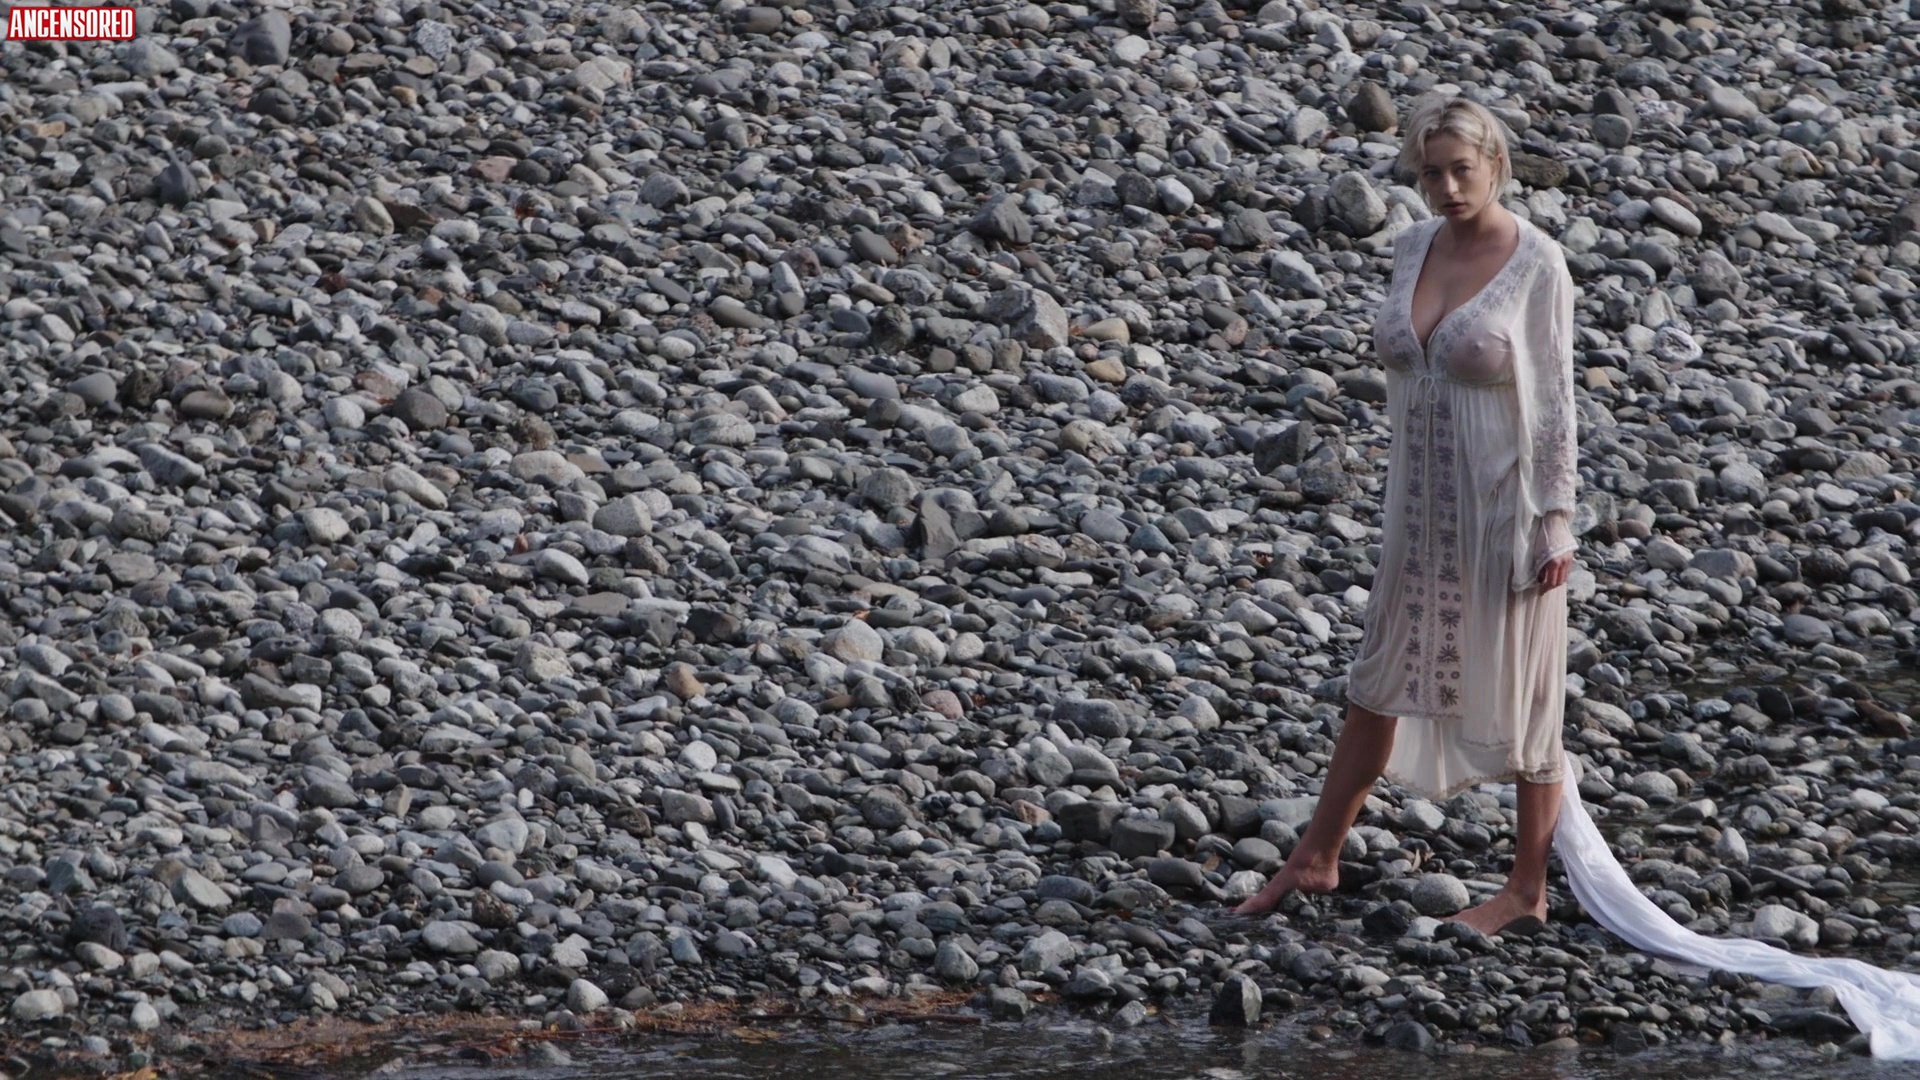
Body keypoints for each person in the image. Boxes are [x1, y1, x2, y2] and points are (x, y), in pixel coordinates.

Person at [1236, 95, 1579, 935]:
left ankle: (1527, 890)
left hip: (1503, 510)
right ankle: (1316, 856)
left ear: (1496, 165)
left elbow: (1555, 404)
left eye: (1463, 170)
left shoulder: (1538, 262)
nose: (1448, 188)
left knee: (1528, 693)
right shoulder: (1411, 247)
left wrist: (1556, 519)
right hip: (1417, 510)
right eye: (1432, 174)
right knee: (1378, 678)